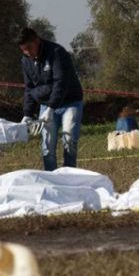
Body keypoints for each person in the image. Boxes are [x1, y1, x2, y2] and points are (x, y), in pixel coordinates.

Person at [17, 27, 84, 171]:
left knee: (69, 141)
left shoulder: (56, 53)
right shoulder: (26, 60)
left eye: (29, 47)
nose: (27, 52)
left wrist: (51, 107)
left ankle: (69, 176)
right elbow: (29, 88)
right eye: (23, 50)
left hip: (70, 103)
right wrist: (27, 114)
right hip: (46, 105)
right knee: (47, 145)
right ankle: (50, 177)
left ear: (37, 40)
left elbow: (60, 82)